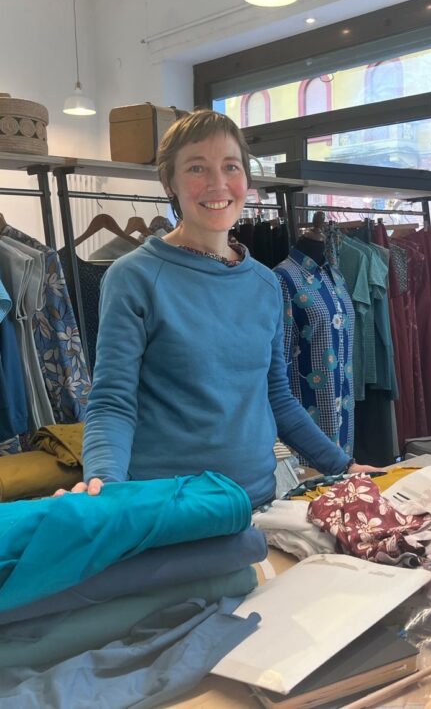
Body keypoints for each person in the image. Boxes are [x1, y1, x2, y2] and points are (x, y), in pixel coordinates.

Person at [58, 109, 377, 507]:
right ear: (169, 182)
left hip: (258, 500)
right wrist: (103, 481)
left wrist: (343, 466)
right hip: (173, 507)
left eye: (230, 167)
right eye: (197, 168)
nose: (218, 183)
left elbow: (276, 397)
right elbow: (112, 401)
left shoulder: (265, 283)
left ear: (246, 179)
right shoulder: (133, 277)